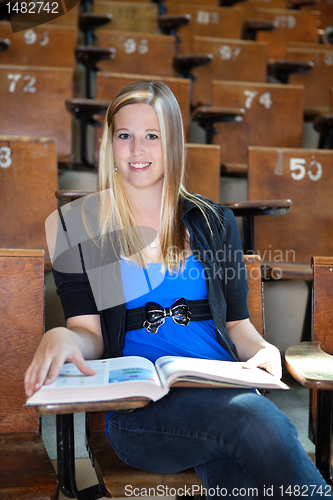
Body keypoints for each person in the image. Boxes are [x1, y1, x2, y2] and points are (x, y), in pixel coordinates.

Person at [25, 81, 332, 499]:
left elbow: (238, 326)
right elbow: (89, 335)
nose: (138, 150)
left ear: (173, 143)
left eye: (152, 135)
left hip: (221, 390)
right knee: (254, 422)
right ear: (108, 144)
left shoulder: (213, 221)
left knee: (242, 459)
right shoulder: (77, 227)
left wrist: (262, 352)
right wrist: (61, 335)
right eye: (124, 136)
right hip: (143, 415)